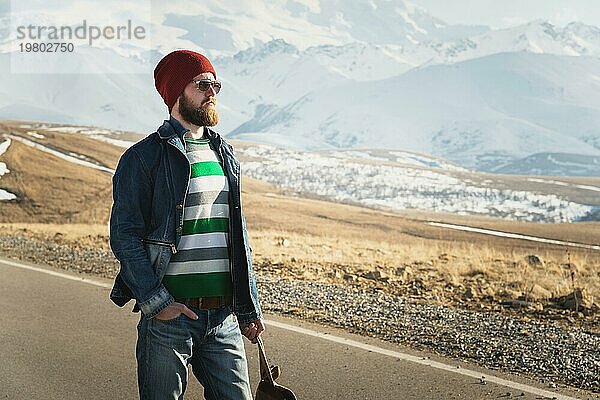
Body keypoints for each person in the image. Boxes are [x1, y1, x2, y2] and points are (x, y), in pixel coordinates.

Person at [109, 49, 264, 400]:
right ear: (176, 91)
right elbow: (124, 236)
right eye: (202, 84)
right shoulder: (143, 158)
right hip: (171, 316)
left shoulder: (224, 154)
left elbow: (237, 237)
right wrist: (155, 302)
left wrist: (248, 305)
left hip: (223, 317)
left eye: (215, 84)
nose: (212, 91)